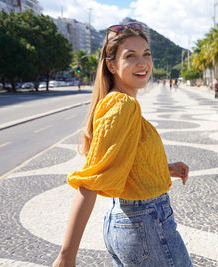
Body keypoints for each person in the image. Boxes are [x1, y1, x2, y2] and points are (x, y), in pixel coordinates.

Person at [52, 23, 192, 267]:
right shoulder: (123, 106)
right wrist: (66, 257)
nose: (143, 63)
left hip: (131, 222)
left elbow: (127, 158)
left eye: (146, 54)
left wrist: (164, 167)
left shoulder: (118, 103)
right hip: (147, 225)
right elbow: (90, 183)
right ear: (111, 65)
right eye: (131, 56)